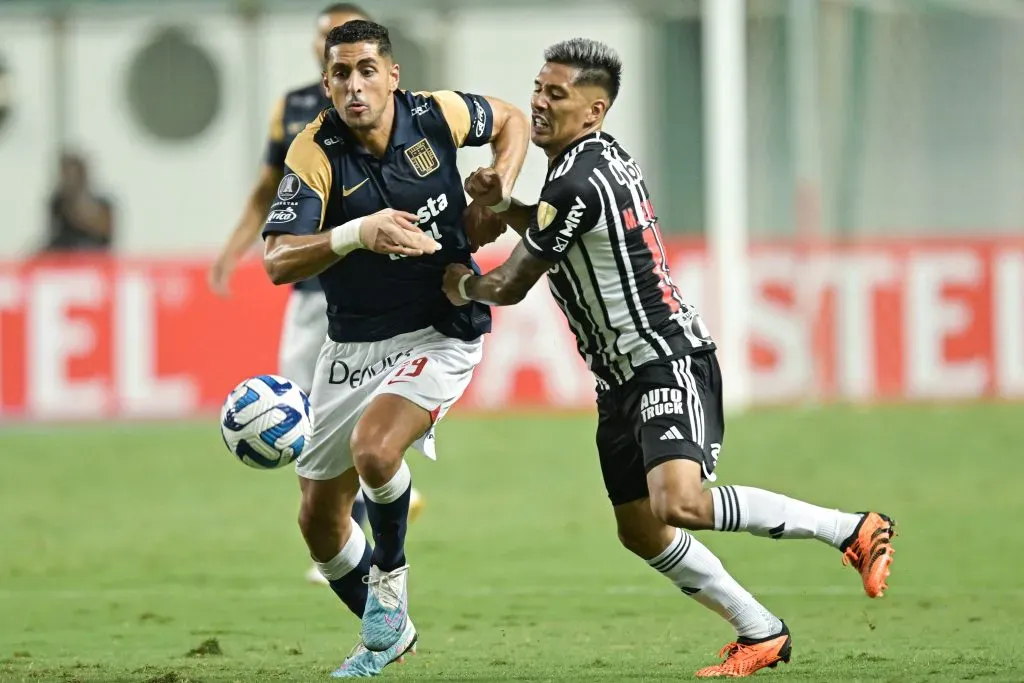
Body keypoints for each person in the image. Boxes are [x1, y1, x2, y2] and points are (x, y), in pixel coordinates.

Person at [443, 38, 897, 679]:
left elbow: (512, 283)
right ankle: (761, 631)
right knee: (641, 529)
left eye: (558, 94)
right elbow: (560, 224)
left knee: (678, 502)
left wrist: (460, 283)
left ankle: (850, 527)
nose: (539, 104)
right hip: (619, 378)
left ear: (594, 110)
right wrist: (507, 205)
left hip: (664, 360)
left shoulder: (576, 179)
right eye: (539, 89)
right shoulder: (587, 163)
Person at [261, 20, 529, 677]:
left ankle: (390, 585)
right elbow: (275, 259)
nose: (355, 85)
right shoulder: (314, 153)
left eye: (367, 70)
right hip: (353, 342)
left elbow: (512, 118)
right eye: (342, 74)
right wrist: (357, 232)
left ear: (393, 75)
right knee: (319, 521)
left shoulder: (434, 115)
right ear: (327, 84)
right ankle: (391, 632)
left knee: (376, 448)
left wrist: (499, 177)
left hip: (443, 327)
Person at [207, 3, 425, 587]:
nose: (350, 69)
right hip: (312, 286)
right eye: (328, 38)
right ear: (320, 55)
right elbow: (264, 191)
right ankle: (363, 502)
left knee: (331, 413)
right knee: (303, 405)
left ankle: (358, 514)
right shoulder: (295, 110)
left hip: (374, 291)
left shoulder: (393, 113)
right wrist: (235, 249)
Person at [42, 152, 114, 253]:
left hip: (91, 254)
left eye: (73, 173)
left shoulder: (102, 203)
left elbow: (104, 231)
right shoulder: (58, 202)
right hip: (64, 254)